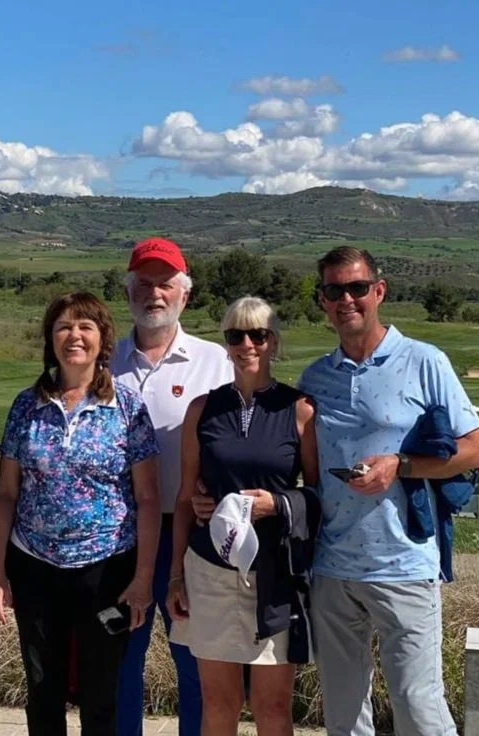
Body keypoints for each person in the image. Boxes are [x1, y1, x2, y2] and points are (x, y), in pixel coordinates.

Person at [297, 246, 479, 736]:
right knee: (344, 716)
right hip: (332, 566)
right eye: (334, 290)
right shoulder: (315, 377)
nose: (347, 299)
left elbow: (477, 450)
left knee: (418, 708)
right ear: (322, 300)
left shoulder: (425, 361)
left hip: (404, 563)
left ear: (378, 291)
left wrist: (401, 465)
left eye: (357, 288)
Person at [0, 291, 161, 736]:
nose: (74, 336)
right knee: (43, 689)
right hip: (35, 565)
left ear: (104, 340)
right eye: (63, 326)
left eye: (85, 327)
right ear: (50, 339)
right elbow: (6, 492)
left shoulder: (127, 407)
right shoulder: (28, 406)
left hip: (106, 569)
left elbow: (147, 498)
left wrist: (142, 580)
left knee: (101, 695)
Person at [166, 296, 320, 736]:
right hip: (210, 571)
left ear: (274, 342)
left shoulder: (299, 410)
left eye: (259, 334)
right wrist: (175, 575)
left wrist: (279, 504)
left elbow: (318, 495)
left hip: (274, 574)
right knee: (219, 703)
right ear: (227, 343)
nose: (247, 344)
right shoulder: (202, 410)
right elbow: (183, 499)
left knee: (272, 706)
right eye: (236, 335)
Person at [112, 237, 234, 736]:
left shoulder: (216, 361)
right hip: (119, 537)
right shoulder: (104, 360)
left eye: (165, 284)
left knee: (195, 662)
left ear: (185, 293)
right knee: (119, 660)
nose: (155, 294)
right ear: (129, 292)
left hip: (190, 533)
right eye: (145, 283)